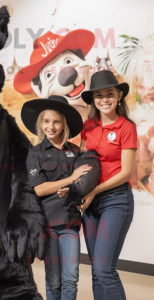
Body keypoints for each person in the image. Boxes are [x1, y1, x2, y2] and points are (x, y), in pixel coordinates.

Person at [21, 95, 92, 300]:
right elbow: (40, 189)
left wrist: (76, 187)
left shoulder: (76, 151)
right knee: (53, 280)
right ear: (40, 124)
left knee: (71, 278)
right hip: (48, 225)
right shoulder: (35, 153)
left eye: (56, 121)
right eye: (46, 121)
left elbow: (83, 182)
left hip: (71, 223)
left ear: (64, 125)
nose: (50, 126)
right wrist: (70, 179)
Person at [77, 70, 137, 300]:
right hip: (90, 204)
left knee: (105, 270)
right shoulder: (88, 126)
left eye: (109, 94)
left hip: (116, 200)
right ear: (93, 99)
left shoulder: (126, 127)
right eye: (99, 95)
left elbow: (126, 173)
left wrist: (93, 191)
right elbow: (84, 161)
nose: (104, 99)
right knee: (96, 270)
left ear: (119, 95)